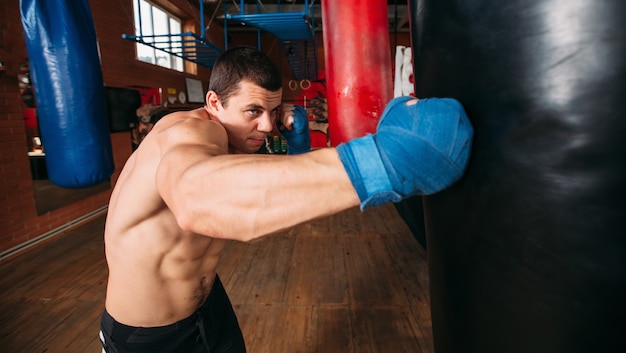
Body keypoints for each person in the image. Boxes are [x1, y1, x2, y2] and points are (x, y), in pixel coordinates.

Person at [99, 46, 474, 353]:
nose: (266, 125)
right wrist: (384, 162)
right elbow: (196, 200)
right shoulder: (189, 134)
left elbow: (253, 184)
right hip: (150, 338)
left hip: (209, 307)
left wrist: (292, 153)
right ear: (213, 102)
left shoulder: (227, 136)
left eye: (272, 111)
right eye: (253, 111)